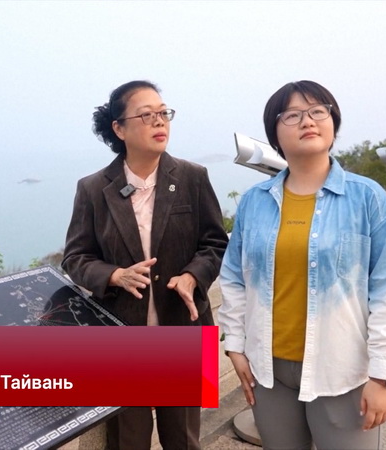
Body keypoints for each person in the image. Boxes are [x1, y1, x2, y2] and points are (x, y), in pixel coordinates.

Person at [218, 80, 386, 449]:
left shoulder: (367, 198)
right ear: (274, 134)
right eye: (292, 115)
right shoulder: (255, 202)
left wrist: (384, 376)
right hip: (268, 370)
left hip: (341, 369)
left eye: (317, 111)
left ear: (333, 122)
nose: (307, 121)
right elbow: (233, 278)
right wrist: (236, 346)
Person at [62, 80, 228, 450]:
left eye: (163, 113)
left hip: (186, 328)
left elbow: (215, 242)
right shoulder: (92, 188)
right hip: (120, 336)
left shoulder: (193, 177)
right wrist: (114, 275)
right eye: (146, 115)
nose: (159, 121)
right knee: (128, 440)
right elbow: (75, 257)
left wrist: (192, 276)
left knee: (184, 439)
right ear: (119, 129)